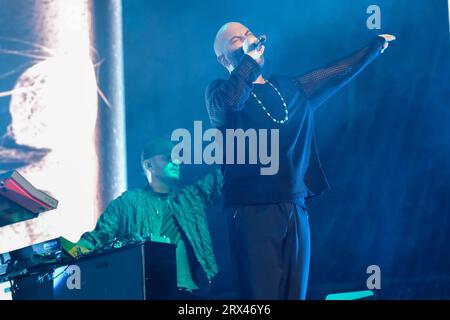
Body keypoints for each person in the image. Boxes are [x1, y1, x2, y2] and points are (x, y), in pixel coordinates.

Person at [205, 22, 395, 299]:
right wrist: (248, 59)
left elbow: (334, 74)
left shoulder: (289, 89)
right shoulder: (218, 92)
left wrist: (374, 47)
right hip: (250, 212)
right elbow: (231, 104)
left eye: (248, 34)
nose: (247, 40)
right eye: (237, 40)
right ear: (223, 58)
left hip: (294, 206)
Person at [67, 137, 222, 297]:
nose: (176, 162)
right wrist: (62, 253)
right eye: (168, 157)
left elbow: (224, 175)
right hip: (143, 289)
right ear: (149, 165)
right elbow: (97, 238)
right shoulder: (126, 203)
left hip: (186, 291)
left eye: (177, 158)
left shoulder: (191, 198)